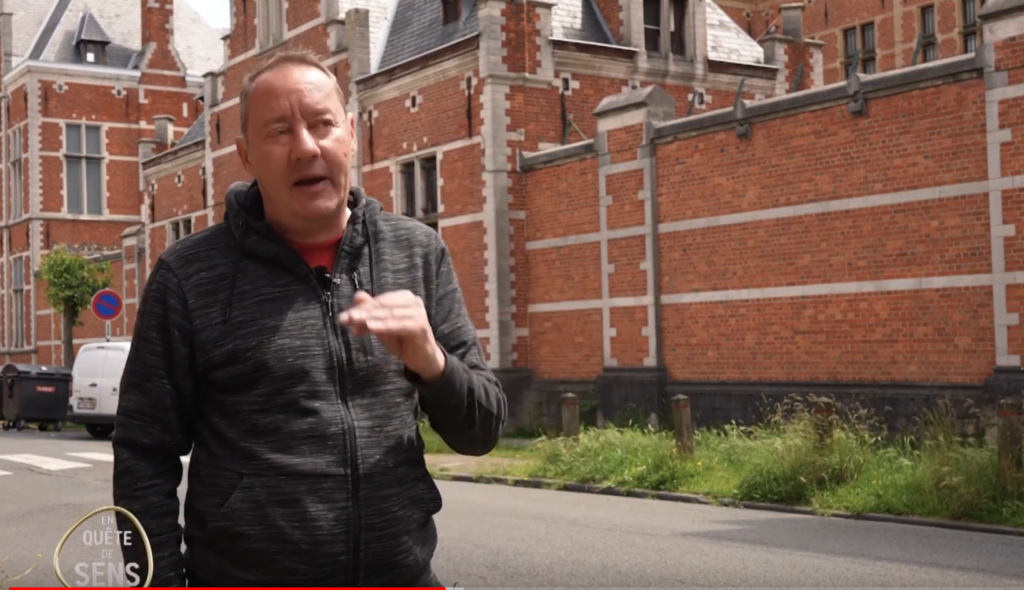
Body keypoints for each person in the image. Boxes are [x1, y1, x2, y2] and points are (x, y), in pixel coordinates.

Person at [111, 49, 507, 588]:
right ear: (245, 155)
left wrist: (432, 362)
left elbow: (481, 432)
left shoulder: (417, 253)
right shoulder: (188, 275)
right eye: (280, 131)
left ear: (350, 133)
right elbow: (142, 453)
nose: (305, 147)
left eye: (322, 124)